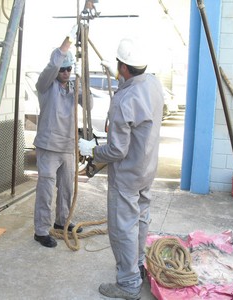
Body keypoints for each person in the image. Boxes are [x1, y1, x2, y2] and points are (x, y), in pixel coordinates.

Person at [79, 37, 164, 299]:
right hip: (147, 168)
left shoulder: (124, 99)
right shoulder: (153, 83)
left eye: (119, 66)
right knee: (140, 218)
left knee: (122, 227)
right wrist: (116, 72)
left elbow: (117, 150)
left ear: (124, 68)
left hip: (126, 175)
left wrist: (92, 150)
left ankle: (128, 283)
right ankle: (137, 264)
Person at [33, 26, 88, 248]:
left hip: (67, 147)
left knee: (66, 187)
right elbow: (54, 64)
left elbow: (89, 106)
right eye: (62, 69)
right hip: (48, 147)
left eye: (68, 69)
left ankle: (61, 222)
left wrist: (83, 87)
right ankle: (41, 230)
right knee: (46, 189)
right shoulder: (45, 85)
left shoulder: (74, 86)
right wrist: (67, 44)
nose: (65, 72)